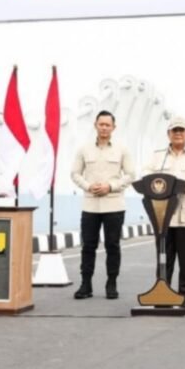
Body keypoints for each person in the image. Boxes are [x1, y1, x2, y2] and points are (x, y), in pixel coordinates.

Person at [143, 117, 185, 307]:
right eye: (174, 131)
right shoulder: (158, 156)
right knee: (164, 257)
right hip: (163, 215)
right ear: (168, 134)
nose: (178, 133)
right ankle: (163, 294)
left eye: (182, 130)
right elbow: (146, 174)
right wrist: (157, 185)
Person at [71, 111, 135, 299]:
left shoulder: (122, 149)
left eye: (108, 125)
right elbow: (75, 173)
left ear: (114, 127)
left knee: (112, 246)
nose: (104, 128)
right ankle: (86, 284)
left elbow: (130, 175)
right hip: (90, 205)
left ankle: (111, 283)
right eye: (101, 124)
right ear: (95, 125)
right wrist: (88, 186)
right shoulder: (84, 149)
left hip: (114, 205)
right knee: (88, 246)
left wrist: (111, 186)